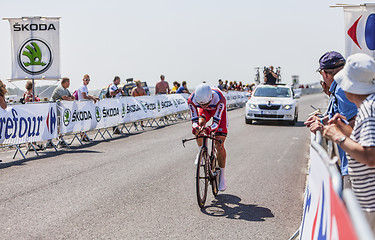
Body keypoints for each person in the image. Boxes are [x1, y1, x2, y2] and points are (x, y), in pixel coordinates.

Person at [323, 53, 375, 232]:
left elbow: (370, 156)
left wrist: (338, 137)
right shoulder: (369, 106)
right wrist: (343, 128)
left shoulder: (368, 110)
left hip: (369, 202)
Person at [304, 51, 357, 186]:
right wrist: (321, 120)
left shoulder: (341, 88)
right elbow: (340, 116)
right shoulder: (340, 87)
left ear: (325, 74)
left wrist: (323, 127)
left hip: (353, 164)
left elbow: (353, 122)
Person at [188, 83, 228, 191]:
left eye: (206, 104)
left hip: (218, 112)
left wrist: (210, 128)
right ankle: (200, 151)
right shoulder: (191, 100)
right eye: (201, 105)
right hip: (205, 113)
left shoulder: (220, 99)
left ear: (211, 98)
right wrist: (196, 127)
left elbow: (216, 123)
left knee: (219, 143)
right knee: (200, 126)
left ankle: (222, 176)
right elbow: (194, 121)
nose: (204, 106)